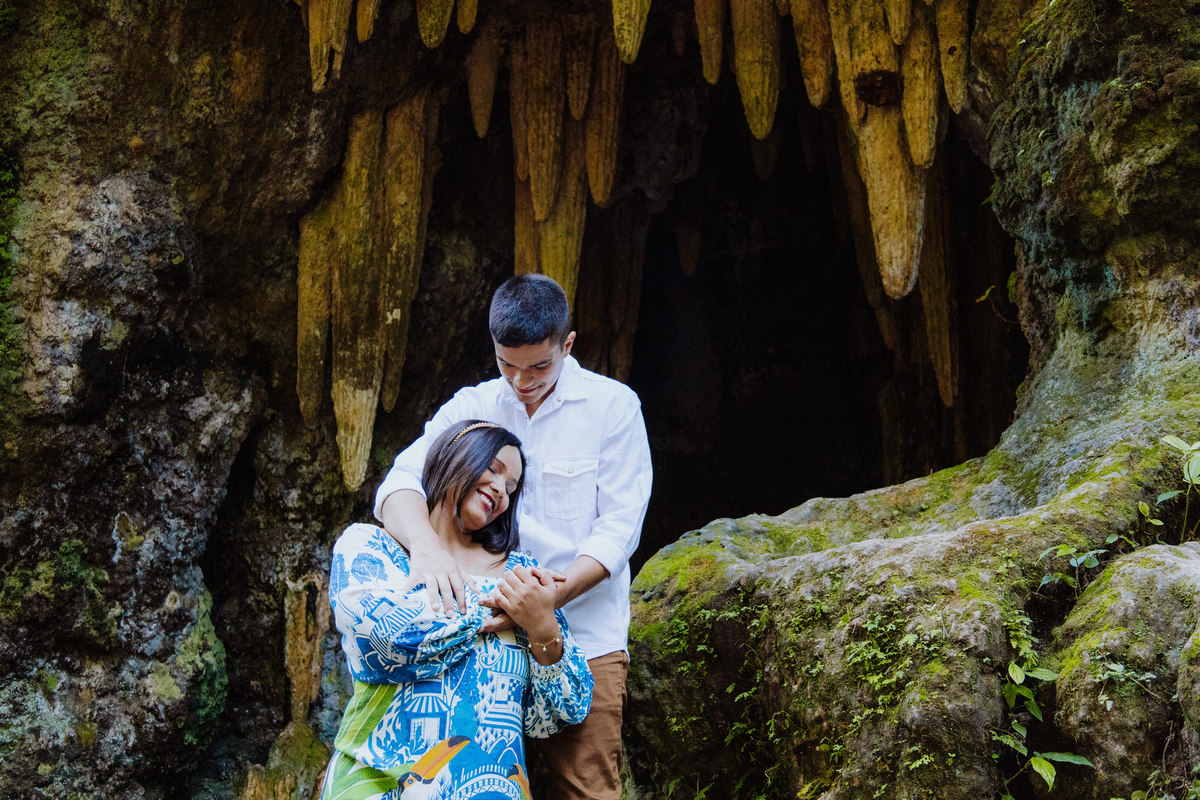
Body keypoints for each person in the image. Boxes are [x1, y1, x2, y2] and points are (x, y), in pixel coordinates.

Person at [374, 274, 653, 800]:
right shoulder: (471, 406)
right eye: (508, 364)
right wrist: (430, 553)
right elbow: (399, 485)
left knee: (586, 790)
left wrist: (543, 604)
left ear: (567, 345)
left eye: (539, 366)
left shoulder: (613, 407)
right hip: (471, 642)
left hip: (582, 641)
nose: (521, 381)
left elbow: (619, 529)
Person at [322, 419, 594, 800]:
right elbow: (380, 641)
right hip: (376, 786)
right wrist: (506, 608)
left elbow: (560, 712)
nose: (501, 490)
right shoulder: (370, 545)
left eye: (511, 488)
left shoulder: (521, 572)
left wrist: (544, 628)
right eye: (494, 469)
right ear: (454, 456)